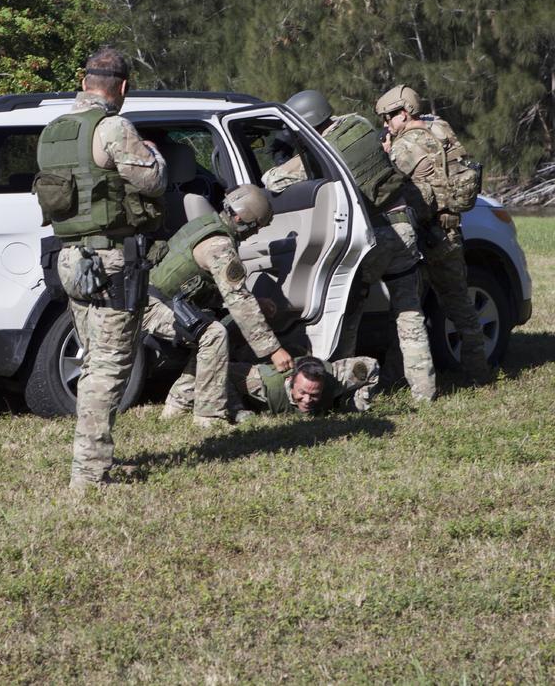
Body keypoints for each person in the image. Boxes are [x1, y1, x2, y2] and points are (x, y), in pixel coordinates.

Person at [33, 46, 167, 493]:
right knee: (109, 366)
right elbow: (152, 180)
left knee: (92, 357)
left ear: (83, 80)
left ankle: (96, 457)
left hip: (70, 258)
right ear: (123, 87)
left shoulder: (55, 130)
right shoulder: (113, 127)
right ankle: (89, 472)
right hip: (109, 259)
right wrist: (152, 152)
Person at [264, 90, 435, 402]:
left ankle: (343, 387)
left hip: (371, 236)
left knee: (348, 312)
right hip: (403, 226)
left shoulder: (321, 149)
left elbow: (273, 181)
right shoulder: (357, 124)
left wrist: (284, 161)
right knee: (409, 313)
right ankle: (424, 391)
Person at [143, 184, 292, 426]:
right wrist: (273, 350)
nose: (253, 234)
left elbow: (203, 286)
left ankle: (177, 405)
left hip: (160, 299)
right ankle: (209, 416)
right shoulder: (220, 246)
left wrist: (256, 303)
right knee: (213, 335)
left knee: (210, 330)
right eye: (255, 228)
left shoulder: (204, 224)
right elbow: (238, 299)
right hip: (151, 307)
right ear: (243, 220)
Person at [377, 84, 492, 384]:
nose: (386, 124)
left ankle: (397, 375)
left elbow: (388, 187)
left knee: (406, 312)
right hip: (450, 231)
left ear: (404, 113)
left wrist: (387, 153)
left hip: (423, 237)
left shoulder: (403, 148)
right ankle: (479, 372)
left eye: (389, 117)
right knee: (461, 307)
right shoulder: (440, 128)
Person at [230, 355, 380, 417]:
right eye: (302, 392)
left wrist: (355, 407)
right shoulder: (263, 384)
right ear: (291, 381)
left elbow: (371, 366)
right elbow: (220, 373)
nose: (307, 400)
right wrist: (238, 412)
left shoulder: (335, 379)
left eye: (315, 394)